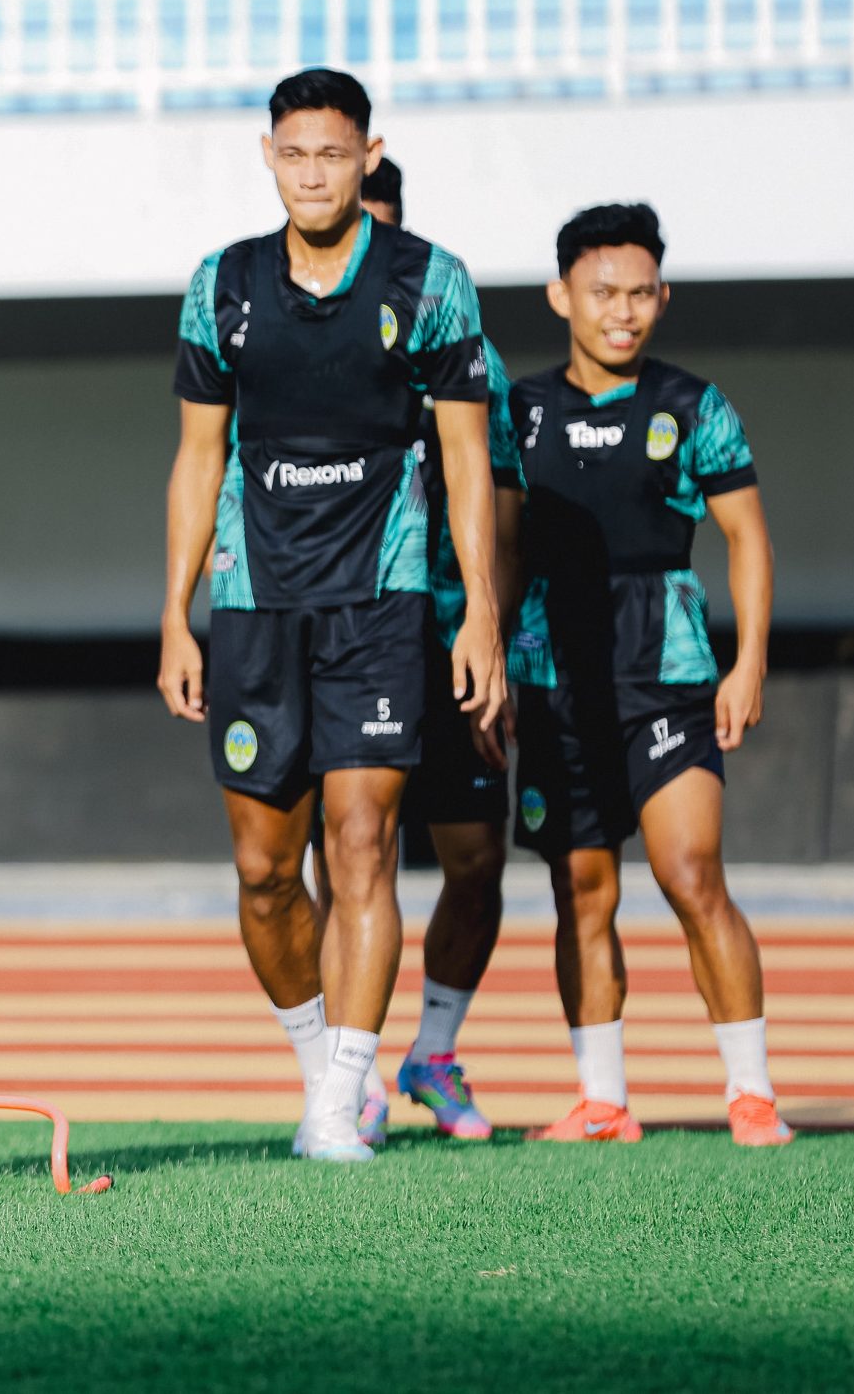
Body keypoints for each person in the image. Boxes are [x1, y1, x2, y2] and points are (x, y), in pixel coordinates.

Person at [159, 69, 505, 1163]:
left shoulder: (431, 281)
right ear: (269, 156)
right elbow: (195, 457)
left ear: (368, 155)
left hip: (385, 596)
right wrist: (174, 615)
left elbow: (465, 458)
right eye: (294, 153)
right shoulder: (221, 285)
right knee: (265, 871)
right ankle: (319, 1073)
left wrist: (481, 612)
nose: (314, 172)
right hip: (256, 604)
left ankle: (344, 1092)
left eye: (334, 154)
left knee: (363, 843)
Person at [502, 203, 790, 1146]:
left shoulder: (692, 405)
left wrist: (747, 660)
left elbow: (747, 536)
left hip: (665, 669)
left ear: (662, 298)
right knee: (582, 892)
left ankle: (750, 1094)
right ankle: (603, 1099)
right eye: (602, 292)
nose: (622, 311)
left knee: (690, 870)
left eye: (639, 294)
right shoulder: (522, 410)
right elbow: (498, 548)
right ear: (561, 296)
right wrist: (491, 661)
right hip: (551, 673)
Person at [302, 156, 513, 1141]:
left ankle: (431, 1047)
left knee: (474, 860)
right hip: (338, 624)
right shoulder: (298, 334)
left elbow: (501, 494)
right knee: (342, 857)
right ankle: (353, 1073)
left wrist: (491, 626)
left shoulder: (449, 325)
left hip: (440, 632)